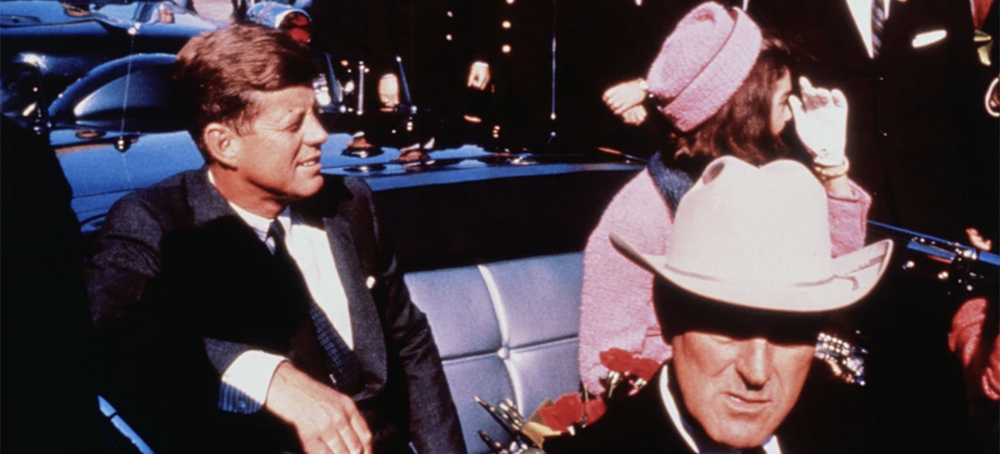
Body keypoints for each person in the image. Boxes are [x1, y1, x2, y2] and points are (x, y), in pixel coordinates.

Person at [85, 25, 466, 454]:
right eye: (293, 124)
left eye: (316, 114)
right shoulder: (158, 222)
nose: (320, 135)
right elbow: (103, 335)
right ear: (224, 144)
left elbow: (409, 340)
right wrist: (266, 376)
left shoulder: (350, 203)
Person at [577, 1, 871, 396]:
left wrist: (832, 165)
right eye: (783, 101)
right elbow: (605, 368)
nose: (789, 118)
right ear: (744, 107)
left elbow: (833, 274)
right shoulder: (642, 213)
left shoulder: (767, 181)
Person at [547, 155, 894, 454]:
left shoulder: (859, 432)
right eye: (731, 328)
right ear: (668, 314)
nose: (756, 372)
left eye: (788, 333)